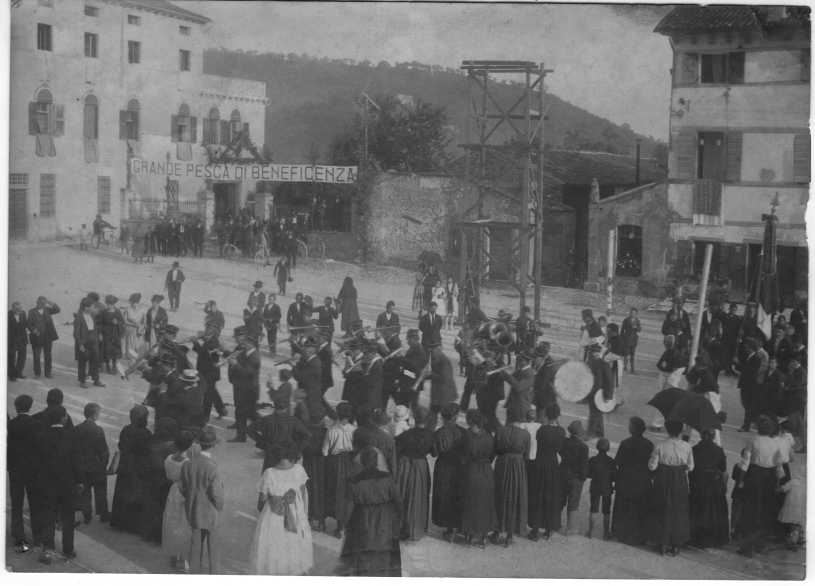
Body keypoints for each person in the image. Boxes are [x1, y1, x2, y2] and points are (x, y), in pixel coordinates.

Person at [249, 441, 313, 575]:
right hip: (295, 510)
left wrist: (262, 509)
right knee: (294, 540)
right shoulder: (299, 470)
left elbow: (262, 498)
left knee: (274, 542)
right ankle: (295, 567)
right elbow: (303, 492)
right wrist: (304, 512)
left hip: (273, 512)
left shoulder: (269, 473)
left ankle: (276, 569)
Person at [340, 447, 402, 576]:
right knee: (385, 553)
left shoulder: (353, 481)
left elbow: (348, 509)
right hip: (385, 520)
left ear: (361, 462)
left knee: (363, 552)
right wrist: (399, 521)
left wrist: (345, 524)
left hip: (363, 519)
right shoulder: (388, 478)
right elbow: (398, 502)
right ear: (376, 461)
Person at [35, 406, 83, 563]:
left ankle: (47, 550)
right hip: (67, 484)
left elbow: (37, 462)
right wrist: (80, 481)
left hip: (47, 483)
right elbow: (77, 462)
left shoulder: (42, 436)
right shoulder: (72, 436)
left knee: (48, 516)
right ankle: (68, 550)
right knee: (68, 518)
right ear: (64, 418)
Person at [737, 415, 784, 557]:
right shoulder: (777, 444)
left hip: (754, 476)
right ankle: (760, 544)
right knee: (765, 510)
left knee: (751, 509)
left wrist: (740, 480)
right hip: (769, 478)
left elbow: (745, 463)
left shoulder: (753, 440)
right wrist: (778, 483)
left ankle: (747, 545)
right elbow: (779, 466)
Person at [180, 427, 225, 574]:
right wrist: (219, 506)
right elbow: (216, 493)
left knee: (195, 544)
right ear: (213, 445)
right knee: (214, 547)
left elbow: (183, 487)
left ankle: (194, 573)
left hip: (193, 508)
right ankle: (214, 574)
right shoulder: (213, 467)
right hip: (210, 511)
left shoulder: (187, 464)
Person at [647, 419, 693, 556]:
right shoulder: (687, 446)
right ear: (681, 431)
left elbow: (652, 466)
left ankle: (661, 542)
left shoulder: (660, 445)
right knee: (678, 510)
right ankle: (675, 544)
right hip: (679, 480)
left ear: (667, 429)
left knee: (661, 508)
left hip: (663, 479)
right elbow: (690, 467)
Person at [8, 394, 42, 553]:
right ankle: (38, 536)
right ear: (30, 406)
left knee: (17, 504)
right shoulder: (36, 424)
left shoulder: (10, 425)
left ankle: (19, 537)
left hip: (15, 469)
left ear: (16, 407)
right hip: (33, 470)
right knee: (35, 503)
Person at [110, 406, 152, 534]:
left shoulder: (126, 429)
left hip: (125, 464)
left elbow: (121, 445)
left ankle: (118, 521)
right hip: (138, 466)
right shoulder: (145, 433)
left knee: (122, 491)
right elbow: (146, 451)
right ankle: (131, 524)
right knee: (135, 492)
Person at [395, 406, 435, 541]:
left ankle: (401, 528)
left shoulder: (406, 434)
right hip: (420, 465)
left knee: (403, 494)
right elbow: (434, 452)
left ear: (414, 418)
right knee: (418, 495)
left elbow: (396, 449)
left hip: (405, 465)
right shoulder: (431, 435)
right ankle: (415, 529)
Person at [612, 416, 653, 545]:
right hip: (642, 480)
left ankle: (622, 534)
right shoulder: (649, 444)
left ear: (633, 429)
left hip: (626, 479)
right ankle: (640, 535)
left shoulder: (625, 443)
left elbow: (617, 462)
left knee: (624, 507)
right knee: (640, 508)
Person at [460, 410, 496, 548]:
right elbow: (492, 455)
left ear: (472, 422)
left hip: (472, 470)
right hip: (486, 471)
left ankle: (470, 533)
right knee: (485, 503)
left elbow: (464, 455)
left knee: (471, 503)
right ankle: (484, 534)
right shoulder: (489, 437)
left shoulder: (468, 437)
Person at [529, 403, 565, 541]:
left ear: (546, 415)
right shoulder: (561, 432)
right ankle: (549, 529)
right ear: (558, 415)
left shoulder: (542, 430)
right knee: (551, 497)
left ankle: (535, 528)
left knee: (538, 496)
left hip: (540, 463)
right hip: (553, 465)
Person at [492, 418, 530, 547]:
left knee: (500, 496)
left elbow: (495, 450)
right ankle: (510, 534)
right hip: (518, 466)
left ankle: (497, 531)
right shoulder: (525, 434)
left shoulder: (500, 431)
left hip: (502, 464)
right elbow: (527, 454)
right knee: (515, 497)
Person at [249, 395, 311, 472]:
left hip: (271, 452)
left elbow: (250, 429)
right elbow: (307, 435)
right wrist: (298, 450)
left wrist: (262, 442)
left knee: (270, 479)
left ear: (274, 406)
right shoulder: (293, 420)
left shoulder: (266, 419)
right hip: (288, 455)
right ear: (286, 407)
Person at [689, 428, 729, 548]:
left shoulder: (695, 449)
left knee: (697, 509)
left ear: (702, 436)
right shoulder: (718, 450)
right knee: (712, 512)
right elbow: (723, 468)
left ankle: (695, 537)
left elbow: (691, 468)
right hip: (713, 484)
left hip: (698, 482)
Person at [322, 402, 356, 538]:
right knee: (347, 494)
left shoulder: (331, 430)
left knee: (333, 491)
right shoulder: (354, 430)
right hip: (349, 462)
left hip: (334, 462)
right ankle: (342, 526)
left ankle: (326, 521)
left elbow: (324, 451)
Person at [142, 417, 179, 544]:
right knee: (164, 509)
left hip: (151, 479)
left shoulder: (152, 441)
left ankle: (148, 533)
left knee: (152, 507)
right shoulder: (173, 446)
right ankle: (160, 536)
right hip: (165, 481)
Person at [431, 403, 465, 541]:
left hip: (443, 466)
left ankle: (449, 529)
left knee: (444, 495)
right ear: (456, 417)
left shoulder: (439, 433)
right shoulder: (463, 432)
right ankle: (457, 526)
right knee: (457, 494)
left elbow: (434, 453)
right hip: (458, 467)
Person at [162, 431, 193, 571]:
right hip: (186, 493)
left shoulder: (169, 459)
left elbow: (169, 476)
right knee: (184, 525)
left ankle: (173, 556)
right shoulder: (189, 463)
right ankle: (182, 559)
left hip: (174, 491)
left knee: (172, 522)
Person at [75, 403, 110, 524]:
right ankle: (103, 513)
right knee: (101, 491)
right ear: (95, 415)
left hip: (83, 467)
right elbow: (104, 451)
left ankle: (87, 515)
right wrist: (103, 465)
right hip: (96, 467)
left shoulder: (77, 428)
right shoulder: (98, 430)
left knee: (85, 492)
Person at [227, 327, 261, 443]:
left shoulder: (254, 356)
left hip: (248, 390)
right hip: (240, 387)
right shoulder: (244, 351)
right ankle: (241, 433)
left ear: (250, 343)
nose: (242, 344)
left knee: (246, 413)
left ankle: (242, 436)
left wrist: (235, 364)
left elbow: (248, 373)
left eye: (245, 342)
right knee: (244, 412)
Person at [560, 420, 588, 535]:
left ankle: (555, 524)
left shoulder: (564, 442)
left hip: (563, 473)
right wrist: (583, 477)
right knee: (573, 503)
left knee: (560, 500)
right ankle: (570, 529)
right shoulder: (583, 447)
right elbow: (584, 465)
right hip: (576, 478)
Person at [586, 437, 615, 540]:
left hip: (595, 486)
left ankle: (590, 531)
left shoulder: (593, 460)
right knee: (606, 511)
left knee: (593, 509)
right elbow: (614, 476)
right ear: (608, 448)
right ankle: (606, 533)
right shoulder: (611, 461)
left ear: (597, 447)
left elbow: (588, 474)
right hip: (607, 487)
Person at [292, 337, 326, 424]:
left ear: (311, 350)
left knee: (306, 420)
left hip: (309, 397)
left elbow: (300, 377)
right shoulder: (311, 360)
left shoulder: (314, 363)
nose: (303, 350)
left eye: (306, 347)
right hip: (306, 395)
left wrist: (294, 364)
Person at [27, 296, 60, 379]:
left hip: (48, 337)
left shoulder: (48, 310)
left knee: (48, 356)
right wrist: (34, 331)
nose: (41, 304)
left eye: (43, 303)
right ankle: (37, 373)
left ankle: (48, 373)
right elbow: (29, 324)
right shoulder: (31, 312)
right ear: (36, 302)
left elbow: (58, 309)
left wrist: (49, 302)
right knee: (37, 356)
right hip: (36, 337)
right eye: (40, 303)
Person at [74, 298, 104, 388]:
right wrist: (80, 344)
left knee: (95, 361)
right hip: (84, 343)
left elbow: (95, 328)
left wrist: (98, 335)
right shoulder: (79, 317)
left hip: (93, 342)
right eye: (92, 306)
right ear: (86, 307)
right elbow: (76, 333)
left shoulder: (92, 316)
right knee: (82, 362)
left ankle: (96, 380)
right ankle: (82, 381)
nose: (93, 308)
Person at [586, 344, 613, 438]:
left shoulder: (604, 365)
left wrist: (608, 396)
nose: (594, 354)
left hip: (599, 394)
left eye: (596, 353)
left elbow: (609, 381)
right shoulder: (589, 363)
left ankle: (590, 433)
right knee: (597, 413)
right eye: (593, 352)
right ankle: (600, 433)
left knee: (595, 413)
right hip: (591, 392)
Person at [428, 344, 456, 425]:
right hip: (437, 394)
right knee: (432, 415)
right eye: (431, 350)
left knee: (446, 417)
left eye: (433, 350)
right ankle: (429, 433)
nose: (432, 352)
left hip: (445, 395)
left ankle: (447, 433)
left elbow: (445, 378)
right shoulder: (435, 358)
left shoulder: (444, 361)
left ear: (439, 349)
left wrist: (430, 374)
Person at [100, 295, 124, 375]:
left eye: (111, 304)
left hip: (115, 334)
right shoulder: (104, 312)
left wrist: (117, 323)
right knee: (107, 350)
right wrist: (100, 333)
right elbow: (100, 324)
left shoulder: (118, 312)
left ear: (114, 304)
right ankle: (108, 366)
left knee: (115, 351)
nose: (109, 305)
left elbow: (122, 322)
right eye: (108, 304)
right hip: (106, 334)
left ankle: (114, 366)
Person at [730, 448, 749, 541]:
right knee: (741, 512)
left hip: (736, 492)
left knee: (735, 512)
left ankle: (732, 529)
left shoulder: (737, 465)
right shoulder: (750, 468)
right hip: (745, 494)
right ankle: (738, 531)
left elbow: (733, 477)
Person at [8, 301, 28, 381]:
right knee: (11, 359)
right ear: (12, 309)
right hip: (12, 341)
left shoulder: (23, 313)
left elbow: (26, 324)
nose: (19, 311)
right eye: (17, 309)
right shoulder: (7, 315)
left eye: (20, 309)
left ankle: (19, 373)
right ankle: (12, 376)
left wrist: (33, 329)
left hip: (22, 340)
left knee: (22, 358)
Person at [123, 293, 146, 360]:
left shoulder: (142, 310)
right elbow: (125, 321)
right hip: (130, 330)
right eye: (132, 302)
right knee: (129, 348)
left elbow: (144, 322)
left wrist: (141, 327)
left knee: (137, 347)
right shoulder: (127, 309)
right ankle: (129, 359)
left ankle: (135, 361)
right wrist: (135, 325)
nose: (133, 304)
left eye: (135, 302)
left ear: (138, 302)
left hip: (138, 332)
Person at [620, 307, 641, 373]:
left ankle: (632, 368)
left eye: (634, 313)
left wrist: (636, 327)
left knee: (632, 354)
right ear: (630, 313)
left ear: (636, 314)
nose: (633, 314)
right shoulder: (626, 320)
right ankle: (625, 367)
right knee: (626, 354)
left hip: (634, 340)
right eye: (632, 313)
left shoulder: (637, 321)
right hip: (627, 339)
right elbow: (622, 330)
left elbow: (640, 330)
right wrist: (621, 339)